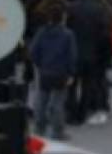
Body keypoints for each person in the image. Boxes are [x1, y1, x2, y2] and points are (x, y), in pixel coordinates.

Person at [28, 8, 77, 141]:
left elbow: (32, 52)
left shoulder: (42, 32)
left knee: (41, 100)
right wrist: (71, 73)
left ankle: (39, 128)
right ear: (63, 18)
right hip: (61, 72)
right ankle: (57, 131)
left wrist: (40, 64)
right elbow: (71, 56)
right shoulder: (68, 35)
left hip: (45, 71)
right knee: (57, 103)